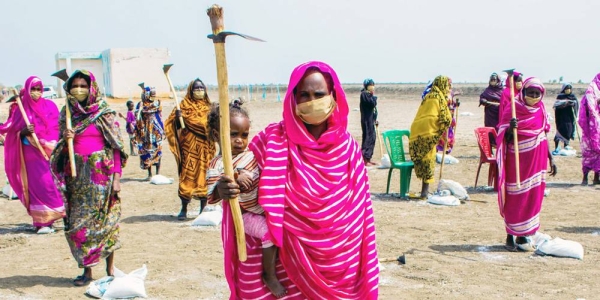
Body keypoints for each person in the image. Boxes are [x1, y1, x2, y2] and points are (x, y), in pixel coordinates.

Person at [215, 61, 379, 299]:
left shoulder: (348, 150)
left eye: (319, 94)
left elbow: (360, 215)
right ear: (293, 99)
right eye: (304, 95)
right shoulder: (271, 141)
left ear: (333, 96)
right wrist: (224, 188)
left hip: (340, 265)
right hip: (282, 264)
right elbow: (240, 179)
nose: (312, 101)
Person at [49, 70, 128, 286]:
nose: (79, 89)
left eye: (83, 85)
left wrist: (117, 178)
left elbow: (116, 148)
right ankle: (87, 271)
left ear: (91, 87)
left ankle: (110, 268)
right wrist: (66, 138)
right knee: (80, 225)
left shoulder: (105, 113)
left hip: (102, 177)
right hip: (77, 178)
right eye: (74, 85)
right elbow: (60, 149)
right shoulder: (67, 112)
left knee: (106, 222)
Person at [206, 99, 286, 298]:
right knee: (269, 233)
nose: (240, 140)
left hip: (263, 208)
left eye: (244, 135)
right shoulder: (218, 164)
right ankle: (268, 274)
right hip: (246, 215)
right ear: (217, 135)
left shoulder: (251, 154)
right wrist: (231, 180)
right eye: (233, 135)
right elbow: (213, 194)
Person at [496, 77, 557, 251]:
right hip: (517, 161)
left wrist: (551, 158)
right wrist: (509, 128)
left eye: (537, 93)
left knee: (532, 196)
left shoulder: (541, 110)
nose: (534, 96)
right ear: (523, 92)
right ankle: (510, 234)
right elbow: (503, 136)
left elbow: (543, 134)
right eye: (530, 92)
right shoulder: (514, 109)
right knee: (516, 195)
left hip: (537, 161)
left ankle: (523, 235)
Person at [1, 77, 65, 233]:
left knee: (52, 185)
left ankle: (59, 217)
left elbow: (58, 127)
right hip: (30, 156)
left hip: (48, 153)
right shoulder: (20, 109)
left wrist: (47, 142)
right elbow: (10, 131)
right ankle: (42, 223)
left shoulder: (50, 106)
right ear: (27, 90)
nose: (36, 93)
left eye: (38, 89)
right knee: (37, 187)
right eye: (33, 89)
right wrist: (22, 133)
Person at [165, 78, 216, 220]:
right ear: (191, 90)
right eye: (196, 89)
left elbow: (213, 125)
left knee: (204, 177)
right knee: (187, 177)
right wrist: (177, 119)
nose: (199, 91)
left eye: (201, 89)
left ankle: (202, 208)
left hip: (206, 149)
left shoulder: (210, 107)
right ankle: (184, 208)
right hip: (189, 149)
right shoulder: (183, 106)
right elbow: (170, 124)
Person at [409, 75, 453, 198]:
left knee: (424, 160)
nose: (449, 89)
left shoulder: (428, 96)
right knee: (428, 161)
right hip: (428, 134)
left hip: (417, 133)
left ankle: (424, 191)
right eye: (448, 86)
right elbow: (445, 118)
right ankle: (424, 192)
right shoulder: (439, 98)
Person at [135, 86, 164, 178]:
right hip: (146, 133)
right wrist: (139, 110)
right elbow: (138, 118)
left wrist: (162, 129)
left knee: (157, 150)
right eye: (151, 94)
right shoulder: (141, 105)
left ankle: (158, 173)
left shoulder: (157, 103)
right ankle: (150, 174)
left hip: (156, 132)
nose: (153, 96)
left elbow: (160, 117)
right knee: (147, 152)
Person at [578, 73, 600, 185]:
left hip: (598, 127)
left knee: (599, 153)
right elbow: (589, 105)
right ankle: (585, 178)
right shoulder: (591, 90)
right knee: (588, 152)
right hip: (590, 128)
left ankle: (596, 178)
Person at [553, 84, 578, 154]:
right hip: (561, 117)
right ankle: (557, 146)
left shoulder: (572, 97)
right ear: (564, 89)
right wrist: (566, 103)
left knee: (568, 130)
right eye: (566, 88)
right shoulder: (560, 96)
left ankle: (566, 145)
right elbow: (557, 105)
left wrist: (573, 104)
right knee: (560, 131)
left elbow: (576, 104)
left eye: (569, 89)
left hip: (569, 117)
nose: (568, 90)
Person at [360, 78, 378, 166]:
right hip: (366, 120)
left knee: (373, 138)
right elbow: (371, 103)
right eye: (370, 85)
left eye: (373, 85)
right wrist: (373, 97)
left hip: (371, 119)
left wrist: (375, 119)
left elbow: (374, 109)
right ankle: (364, 158)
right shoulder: (364, 94)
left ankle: (368, 157)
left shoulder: (369, 95)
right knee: (367, 138)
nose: (372, 87)